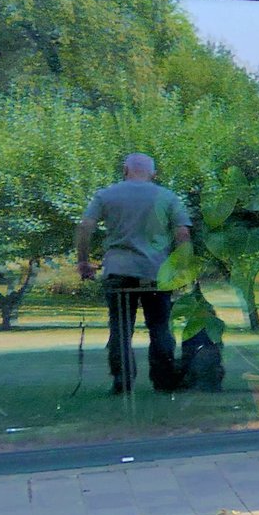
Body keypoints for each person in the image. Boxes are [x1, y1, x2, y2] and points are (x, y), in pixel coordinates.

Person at [76, 153, 191, 394]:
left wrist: (83, 261)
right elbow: (182, 233)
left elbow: (85, 226)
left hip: (118, 271)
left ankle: (122, 381)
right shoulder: (167, 197)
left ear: (125, 170)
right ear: (154, 174)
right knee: (159, 326)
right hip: (156, 272)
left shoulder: (106, 194)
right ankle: (164, 380)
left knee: (120, 327)